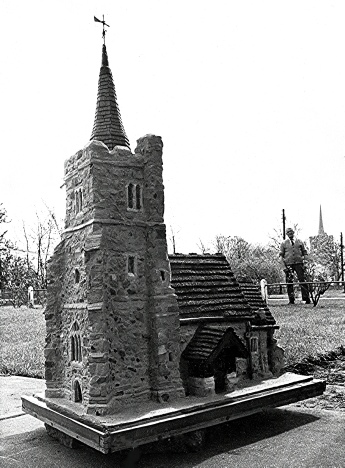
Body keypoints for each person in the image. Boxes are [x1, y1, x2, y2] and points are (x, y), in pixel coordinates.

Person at [279, 227, 311, 304]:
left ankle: (306, 298)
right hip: (289, 265)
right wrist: (284, 267)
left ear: (293, 232)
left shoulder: (299, 241)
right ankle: (291, 299)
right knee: (289, 282)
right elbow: (280, 256)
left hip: (299, 264)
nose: (290, 233)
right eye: (288, 232)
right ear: (286, 234)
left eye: (291, 232)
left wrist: (306, 263)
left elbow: (305, 252)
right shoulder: (283, 243)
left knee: (302, 280)